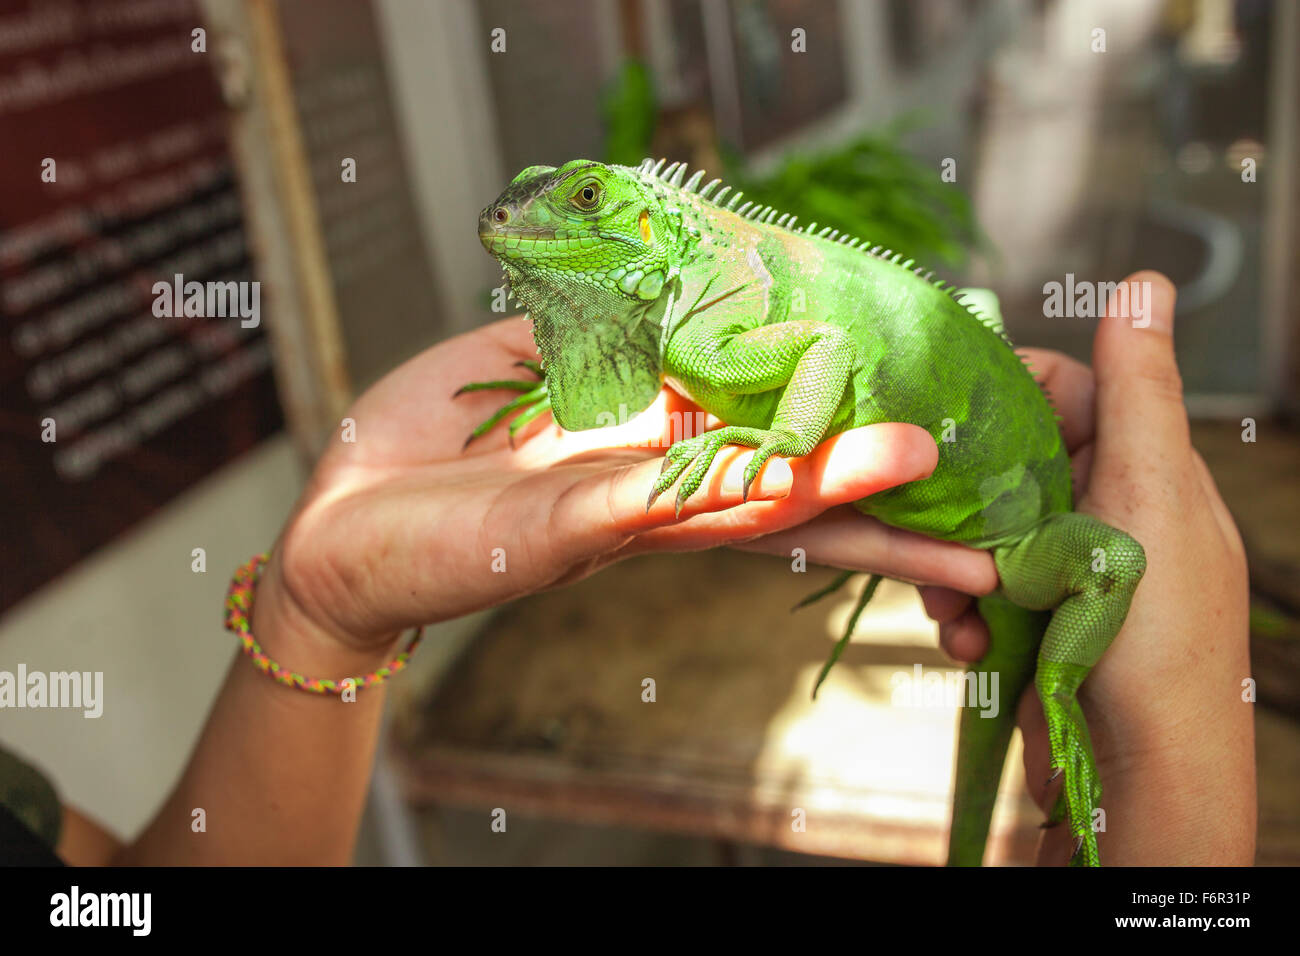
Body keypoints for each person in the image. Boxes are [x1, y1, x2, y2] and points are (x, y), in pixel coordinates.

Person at [3, 271, 1254, 865]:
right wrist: (1183, 823)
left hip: (1026, 552)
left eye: (581, 212)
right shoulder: (697, 326)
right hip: (995, 565)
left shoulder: (719, 314)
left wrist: (318, 606)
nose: (522, 235)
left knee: (1104, 568)